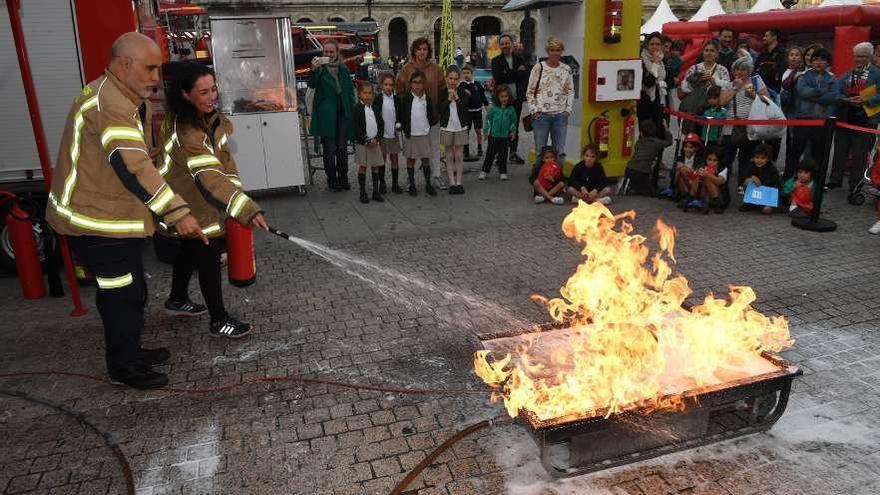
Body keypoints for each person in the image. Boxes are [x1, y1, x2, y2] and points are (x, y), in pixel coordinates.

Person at [46, 33, 206, 389]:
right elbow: (132, 166)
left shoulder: (124, 97)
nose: (156, 77)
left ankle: (131, 351)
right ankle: (123, 367)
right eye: (150, 68)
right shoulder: (111, 103)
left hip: (115, 218)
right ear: (124, 64)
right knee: (122, 295)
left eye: (159, 68)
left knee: (132, 291)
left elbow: (125, 155)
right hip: (96, 222)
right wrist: (178, 213)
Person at [160, 62, 268, 339]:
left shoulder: (208, 118)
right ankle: (219, 320)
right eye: (203, 92)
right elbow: (209, 175)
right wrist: (244, 208)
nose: (211, 97)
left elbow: (225, 166)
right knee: (207, 255)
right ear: (185, 94)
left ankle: (176, 299)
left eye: (213, 90)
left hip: (199, 198)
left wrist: (238, 203)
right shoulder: (187, 129)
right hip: (187, 202)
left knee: (189, 251)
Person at [829, 42, 880, 191]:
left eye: (863, 56)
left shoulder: (877, 73)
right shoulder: (848, 73)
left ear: (870, 57)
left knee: (860, 153)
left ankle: (856, 183)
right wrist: (846, 99)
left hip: (866, 118)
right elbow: (836, 92)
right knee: (840, 150)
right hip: (846, 116)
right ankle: (835, 179)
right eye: (857, 56)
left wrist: (867, 100)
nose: (860, 59)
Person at [396, 38, 445, 189]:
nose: (422, 52)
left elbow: (443, 89)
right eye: (419, 49)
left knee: (434, 147)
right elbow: (399, 89)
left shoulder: (436, 69)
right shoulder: (407, 69)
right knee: (411, 150)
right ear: (414, 51)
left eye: (425, 49)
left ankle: (436, 175)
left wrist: (441, 109)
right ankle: (411, 181)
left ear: (428, 51)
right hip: (413, 118)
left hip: (432, 116)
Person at [719, 56, 771, 195]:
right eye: (737, 69)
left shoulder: (756, 82)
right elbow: (722, 102)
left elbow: (767, 101)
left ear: (749, 71)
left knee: (746, 157)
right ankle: (722, 183)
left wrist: (753, 95)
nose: (740, 72)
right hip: (731, 126)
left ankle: (742, 184)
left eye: (743, 69)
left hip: (750, 127)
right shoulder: (729, 84)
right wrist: (735, 88)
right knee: (727, 158)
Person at [309, 40, 356, 192]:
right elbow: (312, 84)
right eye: (326, 52)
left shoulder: (343, 69)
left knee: (342, 148)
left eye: (331, 52)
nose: (328, 54)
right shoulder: (320, 69)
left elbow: (349, 92)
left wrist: (353, 111)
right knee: (329, 149)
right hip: (326, 115)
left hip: (342, 113)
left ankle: (344, 177)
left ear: (337, 53)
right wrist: (314, 70)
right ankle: (332, 179)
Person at [790, 48, 837, 179]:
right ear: (811, 62)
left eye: (822, 60)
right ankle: (790, 176)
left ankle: (817, 179)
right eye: (815, 59)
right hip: (803, 118)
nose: (818, 62)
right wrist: (823, 91)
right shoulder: (804, 76)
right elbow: (803, 92)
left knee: (819, 152)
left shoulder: (833, 78)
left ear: (828, 63)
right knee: (796, 150)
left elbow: (833, 96)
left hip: (822, 121)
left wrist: (815, 93)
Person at [527, 37, 575, 164]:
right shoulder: (539, 67)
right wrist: (534, 110)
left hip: (560, 116)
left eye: (558, 50)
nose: (555, 53)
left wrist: (567, 110)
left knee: (559, 151)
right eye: (552, 50)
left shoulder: (566, 69)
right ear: (548, 51)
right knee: (540, 151)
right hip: (541, 116)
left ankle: (557, 178)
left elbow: (570, 91)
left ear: (562, 51)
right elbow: (530, 91)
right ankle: (538, 178)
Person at [678, 40, 731, 135]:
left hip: (713, 110)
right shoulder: (694, 68)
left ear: (717, 54)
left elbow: (727, 89)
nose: (709, 53)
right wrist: (698, 81)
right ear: (703, 53)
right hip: (695, 108)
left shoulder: (722, 70)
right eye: (706, 50)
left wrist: (713, 80)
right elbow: (685, 88)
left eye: (712, 50)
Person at [491, 34, 530, 164]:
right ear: (499, 46)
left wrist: (507, 72)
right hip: (501, 99)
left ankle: (512, 153)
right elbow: (498, 77)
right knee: (501, 125)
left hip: (516, 99)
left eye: (507, 43)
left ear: (512, 44)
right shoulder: (496, 60)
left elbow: (525, 74)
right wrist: (515, 73)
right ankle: (499, 154)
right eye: (502, 44)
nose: (505, 46)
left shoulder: (519, 59)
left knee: (513, 126)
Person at [398, 71, 438, 196]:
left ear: (424, 84)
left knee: (426, 159)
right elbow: (402, 115)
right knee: (411, 160)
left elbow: (431, 115)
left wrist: (429, 125)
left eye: (420, 82)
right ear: (410, 84)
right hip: (411, 134)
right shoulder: (406, 99)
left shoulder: (427, 99)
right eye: (414, 82)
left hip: (424, 134)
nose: (417, 85)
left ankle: (428, 184)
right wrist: (403, 128)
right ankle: (412, 184)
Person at [437, 66, 471, 194]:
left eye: (455, 79)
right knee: (449, 155)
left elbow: (464, 110)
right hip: (447, 127)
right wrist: (448, 99)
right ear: (446, 78)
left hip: (460, 127)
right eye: (450, 78)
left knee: (459, 155)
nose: (453, 81)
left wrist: (457, 98)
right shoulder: (442, 92)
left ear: (459, 80)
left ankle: (459, 182)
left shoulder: (462, 92)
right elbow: (440, 109)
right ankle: (452, 182)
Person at [352, 82, 385, 203]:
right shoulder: (356, 109)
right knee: (363, 166)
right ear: (359, 94)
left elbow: (381, 124)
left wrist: (377, 138)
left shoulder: (375, 108)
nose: (367, 95)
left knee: (375, 166)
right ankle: (362, 192)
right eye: (364, 93)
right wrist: (365, 139)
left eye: (370, 93)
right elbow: (356, 127)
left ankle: (375, 192)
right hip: (363, 143)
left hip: (375, 142)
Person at [623, 120, 672, 196]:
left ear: (641, 133)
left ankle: (630, 185)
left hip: (629, 168)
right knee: (651, 193)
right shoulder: (657, 143)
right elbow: (669, 142)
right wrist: (666, 128)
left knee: (639, 184)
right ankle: (636, 187)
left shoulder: (638, 143)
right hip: (641, 172)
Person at [479, 86, 518, 181]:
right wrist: (486, 132)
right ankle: (484, 171)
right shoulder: (494, 109)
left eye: (506, 96)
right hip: (493, 136)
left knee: (503, 155)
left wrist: (513, 132)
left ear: (509, 97)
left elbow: (513, 122)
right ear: (497, 97)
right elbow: (488, 120)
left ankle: (503, 172)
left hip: (505, 137)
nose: (504, 98)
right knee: (490, 154)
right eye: (502, 96)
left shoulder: (511, 109)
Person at [780, 46, 806, 177]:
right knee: (790, 142)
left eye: (797, 54)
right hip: (789, 110)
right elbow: (783, 89)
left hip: (802, 111)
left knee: (799, 143)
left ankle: (800, 171)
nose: (794, 57)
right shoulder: (785, 72)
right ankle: (789, 170)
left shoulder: (804, 72)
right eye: (791, 54)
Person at [681, 147, 728, 213]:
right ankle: (691, 198)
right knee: (697, 177)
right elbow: (691, 179)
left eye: (715, 160)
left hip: (718, 194)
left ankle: (718, 203)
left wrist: (707, 174)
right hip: (702, 192)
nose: (711, 162)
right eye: (709, 159)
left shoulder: (723, 168)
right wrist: (689, 172)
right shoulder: (702, 166)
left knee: (707, 179)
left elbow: (719, 181)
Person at [376, 74, 402, 194]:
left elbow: (400, 114)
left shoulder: (396, 100)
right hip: (382, 134)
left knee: (395, 158)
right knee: (382, 158)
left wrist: (399, 123)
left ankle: (395, 183)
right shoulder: (378, 99)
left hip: (393, 133)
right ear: (381, 85)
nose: (388, 87)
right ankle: (382, 183)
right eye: (386, 84)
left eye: (390, 85)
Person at [739, 143, 781, 214]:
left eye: (763, 158)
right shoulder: (751, 165)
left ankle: (758, 205)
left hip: (767, 194)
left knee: (766, 210)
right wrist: (752, 177)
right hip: (757, 192)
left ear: (768, 159)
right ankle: (749, 202)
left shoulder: (772, 169)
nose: (759, 160)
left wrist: (762, 185)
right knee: (748, 181)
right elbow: (741, 179)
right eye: (757, 157)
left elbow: (776, 186)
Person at [663, 132, 705, 201]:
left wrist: (686, 168)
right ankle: (676, 190)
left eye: (691, 147)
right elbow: (673, 173)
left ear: (696, 148)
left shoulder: (699, 160)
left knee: (682, 169)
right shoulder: (680, 158)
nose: (687, 149)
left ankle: (689, 195)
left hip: (693, 182)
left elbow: (697, 173)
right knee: (680, 169)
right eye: (685, 147)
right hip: (681, 181)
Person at [460, 65, 489, 159]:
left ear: (472, 74)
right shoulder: (461, 86)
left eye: (468, 73)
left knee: (478, 130)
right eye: (464, 73)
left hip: (477, 111)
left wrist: (486, 107)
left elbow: (483, 97)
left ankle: (479, 147)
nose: (466, 75)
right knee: (466, 131)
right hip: (466, 113)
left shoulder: (477, 84)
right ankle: (466, 149)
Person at [639, 33, 667, 126]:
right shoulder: (642, 60)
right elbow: (648, 82)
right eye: (652, 44)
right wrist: (654, 63)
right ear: (647, 45)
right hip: (645, 100)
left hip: (658, 99)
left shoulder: (662, 60)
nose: (655, 47)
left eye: (657, 44)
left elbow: (669, 79)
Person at [755, 28, 787, 94]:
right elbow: (756, 68)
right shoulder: (763, 53)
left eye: (766, 36)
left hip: (776, 89)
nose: (764, 38)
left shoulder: (783, 53)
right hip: (761, 88)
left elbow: (782, 71)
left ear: (774, 37)